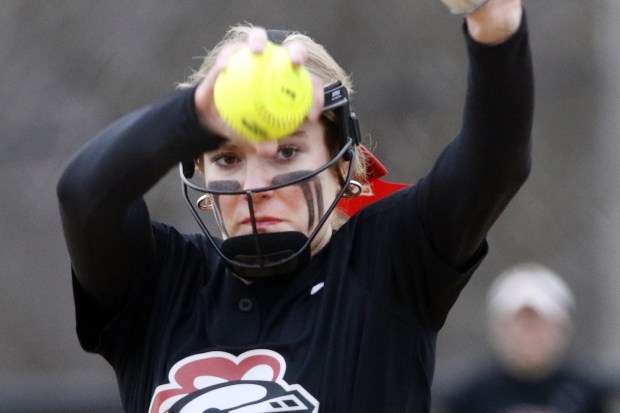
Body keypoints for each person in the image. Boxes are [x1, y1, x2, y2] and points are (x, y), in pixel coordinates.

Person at [56, 0, 533, 411]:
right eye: (227, 157)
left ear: (341, 166)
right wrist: (191, 118)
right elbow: (84, 195)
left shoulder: (386, 264)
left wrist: (495, 25)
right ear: (200, 173)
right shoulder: (160, 283)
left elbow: (493, 161)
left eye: (286, 151)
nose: (255, 184)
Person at [438, 263, 611, 413]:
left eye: (538, 325)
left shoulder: (590, 393)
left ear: (562, 328)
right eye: (520, 325)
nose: (528, 336)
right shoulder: (467, 395)